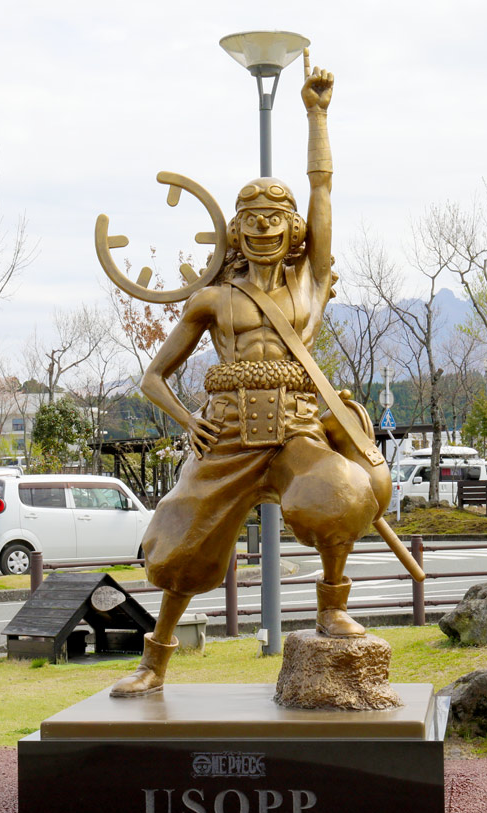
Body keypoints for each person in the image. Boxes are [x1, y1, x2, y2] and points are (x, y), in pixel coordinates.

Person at [111, 62, 391, 698]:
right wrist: (189, 421)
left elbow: (323, 189)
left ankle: (331, 607)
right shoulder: (211, 299)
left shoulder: (310, 282)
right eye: (252, 218)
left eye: (276, 217)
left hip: (295, 429)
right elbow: (154, 377)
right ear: (235, 230)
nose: (264, 227)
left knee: (343, 492)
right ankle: (154, 663)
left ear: (294, 230)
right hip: (229, 433)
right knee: (182, 544)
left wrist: (316, 115)